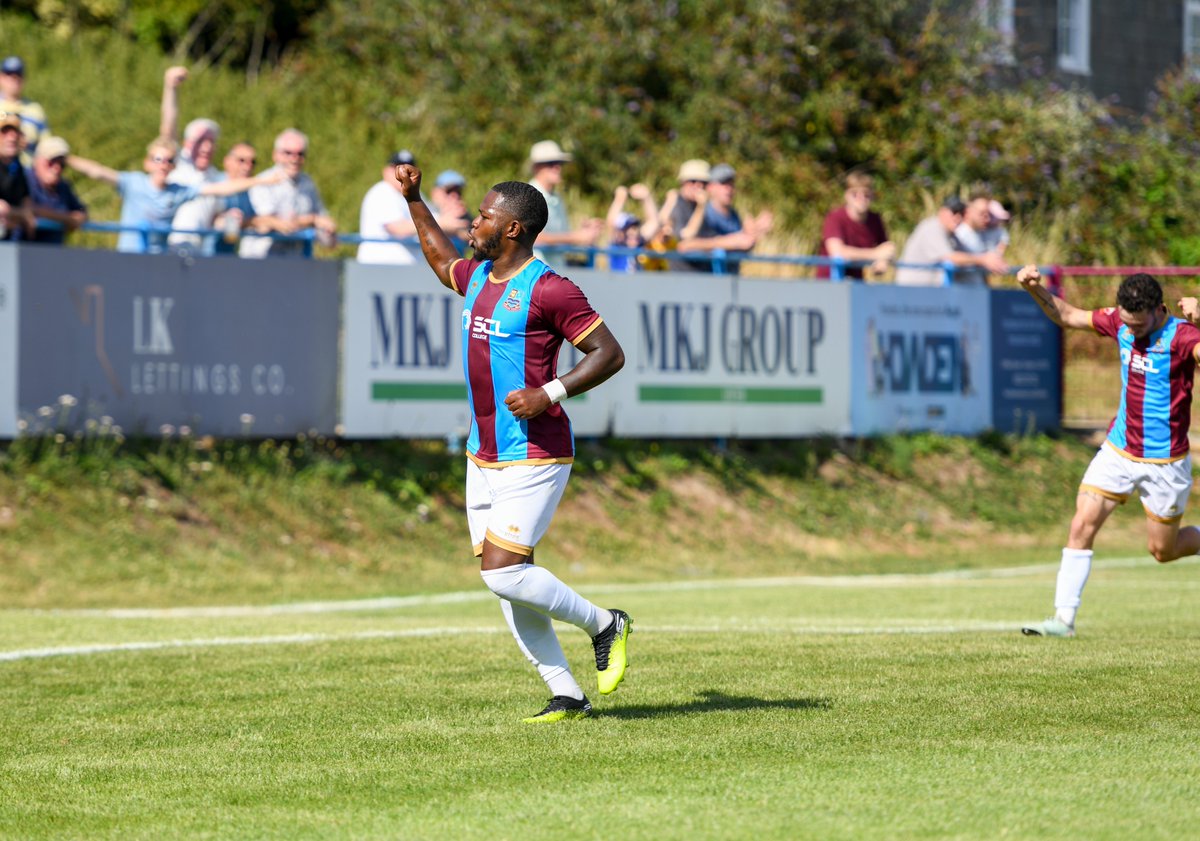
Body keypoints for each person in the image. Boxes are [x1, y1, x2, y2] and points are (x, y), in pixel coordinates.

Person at [392, 162, 632, 723]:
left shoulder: (551, 288)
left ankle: (605, 624)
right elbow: (435, 256)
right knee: (509, 582)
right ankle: (566, 693)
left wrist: (550, 392)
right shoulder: (477, 276)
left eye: (482, 216)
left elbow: (609, 354)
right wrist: (414, 199)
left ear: (513, 229)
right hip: (485, 450)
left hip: (536, 449)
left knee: (504, 571)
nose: (472, 224)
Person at [1015, 265, 1200, 638]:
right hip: (1118, 450)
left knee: (1162, 551)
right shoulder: (1118, 321)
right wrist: (1033, 289)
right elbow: (1067, 316)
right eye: (1127, 323)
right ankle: (1063, 621)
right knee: (1082, 522)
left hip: (1165, 461)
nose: (1131, 330)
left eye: (1139, 325)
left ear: (1159, 309)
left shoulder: (1183, 336)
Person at [67, 136, 277, 254]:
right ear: (147, 163)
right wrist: (65, 158)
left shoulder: (179, 191)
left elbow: (220, 188)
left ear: (174, 166)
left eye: (168, 160)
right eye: (158, 159)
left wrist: (260, 181)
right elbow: (97, 171)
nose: (163, 164)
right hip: (130, 258)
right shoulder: (133, 183)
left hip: (159, 263)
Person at [240, 128, 337, 259]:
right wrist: (312, 220)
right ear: (276, 155)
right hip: (261, 260)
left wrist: (328, 231)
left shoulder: (308, 184)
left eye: (300, 154)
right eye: (288, 153)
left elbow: (324, 223)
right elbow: (279, 224)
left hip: (297, 261)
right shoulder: (264, 181)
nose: (294, 158)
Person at [676, 162, 774, 274]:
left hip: (730, 281)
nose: (728, 189)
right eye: (723, 183)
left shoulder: (733, 215)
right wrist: (731, 241)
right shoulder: (704, 213)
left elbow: (740, 245)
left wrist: (755, 232)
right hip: (708, 280)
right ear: (710, 187)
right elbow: (686, 245)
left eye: (731, 184)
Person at [895, 195, 1007, 286]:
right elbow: (951, 257)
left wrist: (991, 261)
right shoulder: (932, 227)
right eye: (954, 212)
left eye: (961, 214)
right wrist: (983, 259)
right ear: (942, 211)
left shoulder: (952, 234)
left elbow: (966, 256)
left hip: (927, 299)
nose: (957, 217)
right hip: (910, 296)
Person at [526, 140, 602, 263]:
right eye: (551, 163)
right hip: (536, 274)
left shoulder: (556, 198)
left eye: (559, 163)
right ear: (536, 167)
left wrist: (583, 232)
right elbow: (532, 237)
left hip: (554, 272)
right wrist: (575, 237)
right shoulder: (528, 195)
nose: (557, 167)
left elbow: (560, 239)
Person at [816, 172, 894, 280]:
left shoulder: (875, 219)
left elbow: (887, 248)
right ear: (846, 195)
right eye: (855, 193)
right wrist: (875, 254)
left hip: (856, 283)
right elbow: (837, 253)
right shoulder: (835, 218)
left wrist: (883, 261)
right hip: (829, 283)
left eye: (866, 194)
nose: (861, 198)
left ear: (872, 195)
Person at [357, 150, 421, 264]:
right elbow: (400, 229)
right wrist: (441, 224)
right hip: (378, 269)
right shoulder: (381, 192)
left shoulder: (416, 194)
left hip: (405, 272)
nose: (403, 173)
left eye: (408, 169)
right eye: (398, 168)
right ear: (386, 171)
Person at [25, 135, 87, 244]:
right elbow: (28, 209)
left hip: (53, 254)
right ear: (37, 161)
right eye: (51, 162)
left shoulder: (63, 186)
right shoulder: (25, 179)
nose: (57, 168)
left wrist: (76, 218)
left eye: (62, 164)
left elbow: (82, 212)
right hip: (22, 251)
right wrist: (67, 218)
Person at [951, 192, 1008, 286]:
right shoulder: (959, 234)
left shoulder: (980, 235)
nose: (987, 218)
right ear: (968, 212)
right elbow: (951, 259)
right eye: (982, 213)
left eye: (988, 214)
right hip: (963, 293)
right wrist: (983, 260)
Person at [0, 56, 49, 160]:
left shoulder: (35, 109)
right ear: (1, 77)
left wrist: (29, 145)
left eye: (18, 74)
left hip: (28, 171)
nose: (15, 79)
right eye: (10, 74)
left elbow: (47, 147)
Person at [604, 183, 660, 272]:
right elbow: (610, 223)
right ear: (620, 233)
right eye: (627, 228)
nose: (633, 232)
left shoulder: (639, 243)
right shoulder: (616, 246)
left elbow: (654, 222)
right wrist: (619, 200)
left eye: (634, 227)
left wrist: (646, 198)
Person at [0, 112, 33, 241]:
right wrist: (21, 215)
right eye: (5, 132)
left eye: (16, 132)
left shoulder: (17, 166)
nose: (12, 138)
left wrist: (22, 214)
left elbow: (26, 200)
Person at [430, 169, 471, 243]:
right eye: (449, 191)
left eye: (458, 192)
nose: (455, 196)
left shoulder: (464, 216)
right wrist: (441, 225)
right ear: (435, 192)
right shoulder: (424, 211)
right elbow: (402, 229)